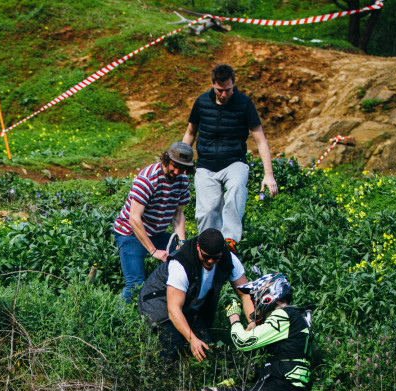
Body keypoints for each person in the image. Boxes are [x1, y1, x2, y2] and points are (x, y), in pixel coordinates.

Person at [182, 64, 279, 253]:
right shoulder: (201, 102)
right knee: (207, 210)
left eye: (228, 90)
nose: (224, 94)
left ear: (233, 85)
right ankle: (209, 247)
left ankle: (230, 241)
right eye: (220, 90)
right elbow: (190, 133)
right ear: (213, 85)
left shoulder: (244, 103)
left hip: (234, 161)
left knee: (236, 189)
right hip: (205, 164)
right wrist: (180, 163)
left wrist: (269, 175)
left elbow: (260, 140)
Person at [138, 228, 256, 362]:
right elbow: (174, 310)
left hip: (188, 303)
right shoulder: (181, 263)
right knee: (170, 346)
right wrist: (192, 340)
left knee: (207, 348)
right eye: (206, 256)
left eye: (215, 258)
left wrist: (253, 320)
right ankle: (162, 375)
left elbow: (245, 295)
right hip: (158, 300)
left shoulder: (230, 260)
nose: (210, 261)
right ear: (198, 247)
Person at [114, 142, 194, 302]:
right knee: (135, 285)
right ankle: (117, 317)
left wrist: (181, 243)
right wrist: (153, 251)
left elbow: (178, 216)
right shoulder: (148, 178)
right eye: (174, 166)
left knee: (185, 263)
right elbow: (134, 218)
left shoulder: (182, 180)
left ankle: (165, 306)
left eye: (182, 168)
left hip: (157, 233)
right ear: (166, 159)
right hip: (131, 233)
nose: (177, 171)